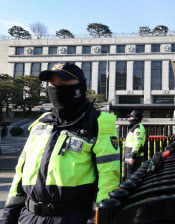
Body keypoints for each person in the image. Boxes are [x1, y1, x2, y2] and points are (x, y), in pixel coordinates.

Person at [0, 63, 120, 224]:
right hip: (28, 217)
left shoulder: (98, 124)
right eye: (53, 85)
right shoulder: (41, 123)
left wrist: (97, 219)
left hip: (72, 217)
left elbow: (108, 179)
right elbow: (20, 174)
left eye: (63, 85)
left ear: (80, 88)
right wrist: (9, 216)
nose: (57, 89)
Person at [124, 110, 146, 178]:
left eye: (131, 117)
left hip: (134, 156)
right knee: (130, 176)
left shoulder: (138, 128)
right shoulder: (134, 127)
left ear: (137, 118)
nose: (130, 118)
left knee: (131, 177)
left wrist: (132, 156)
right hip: (130, 155)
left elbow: (137, 143)